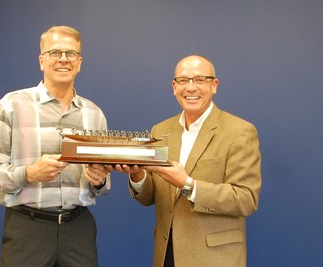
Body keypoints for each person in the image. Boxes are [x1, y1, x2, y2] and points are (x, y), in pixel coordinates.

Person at [0, 25, 111, 267]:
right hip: (28, 229)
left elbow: (103, 182)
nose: (63, 60)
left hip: (79, 229)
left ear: (79, 62)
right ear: (41, 60)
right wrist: (28, 174)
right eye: (55, 53)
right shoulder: (12, 105)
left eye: (71, 54)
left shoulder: (94, 114)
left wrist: (99, 180)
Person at [108, 55, 262, 267]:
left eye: (200, 80)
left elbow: (245, 199)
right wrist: (137, 174)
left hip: (215, 258)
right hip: (167, 255)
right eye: (183, 80)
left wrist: (188, 184)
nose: (190, 88)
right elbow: (149, 197)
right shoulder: (161, 130)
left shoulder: (240, 131)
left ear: (214, 85)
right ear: (174, 86)